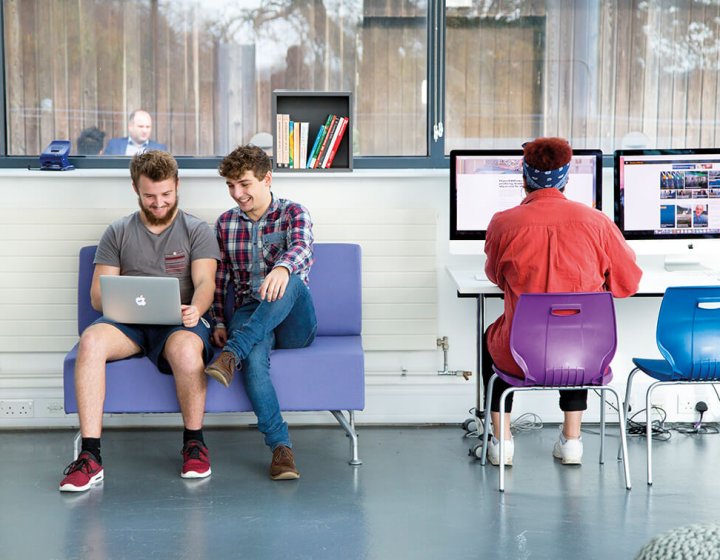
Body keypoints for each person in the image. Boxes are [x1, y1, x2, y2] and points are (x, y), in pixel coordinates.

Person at [59, 150, 220, 492]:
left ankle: (194, 443)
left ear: (177, 186)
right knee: (91, 340)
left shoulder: (196, 230)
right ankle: (90, 456)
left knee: (188, 350)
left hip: (180, 322)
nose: (159, 203)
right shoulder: (117, 231)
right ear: (135, 188)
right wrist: (122, 303)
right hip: (127, 325)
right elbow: (97, 297)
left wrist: (196, 308)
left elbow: (206, 283)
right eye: (150, 196)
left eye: (166, 194)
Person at [482, 137, 642, 467]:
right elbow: (628, 284)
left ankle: (503, 443)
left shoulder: (503, 223)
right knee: (575, 334)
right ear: (566, 179)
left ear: (524, 179)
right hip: (582, 359)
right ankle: (571, 442)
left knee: (490, 338)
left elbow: (496, 277)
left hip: (519, 355)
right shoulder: (597, 222)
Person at [204, 144, 316, 480]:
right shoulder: (225, 224)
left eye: (245, 184)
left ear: (267, 179)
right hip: (251, 312)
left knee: (291, 280)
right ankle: (281, 449)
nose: (237, 194)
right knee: (254, 360)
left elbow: (302, 248)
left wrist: (282, 269)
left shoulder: (293, 212)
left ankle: (231, 353)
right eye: (230, 186)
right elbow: (220, 277)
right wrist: (220, 320)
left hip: (294, 314)